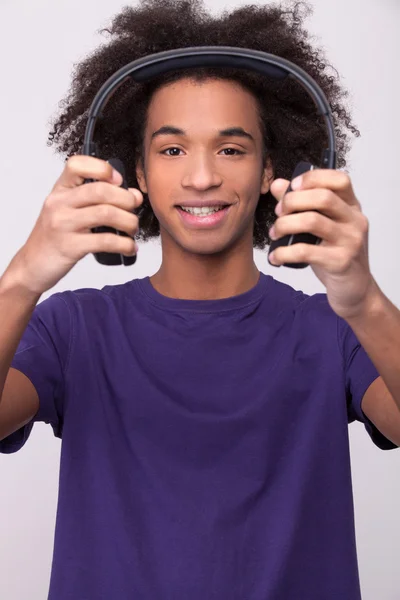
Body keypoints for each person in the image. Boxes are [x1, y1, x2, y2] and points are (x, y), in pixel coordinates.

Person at [0, 0, 399, 598]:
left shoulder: (335, 329)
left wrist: (364, 298)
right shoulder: (72, 328)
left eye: (232, 149)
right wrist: (24, 278)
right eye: (172, 149)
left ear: (271, 169)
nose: (202, 177)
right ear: (133, 168)